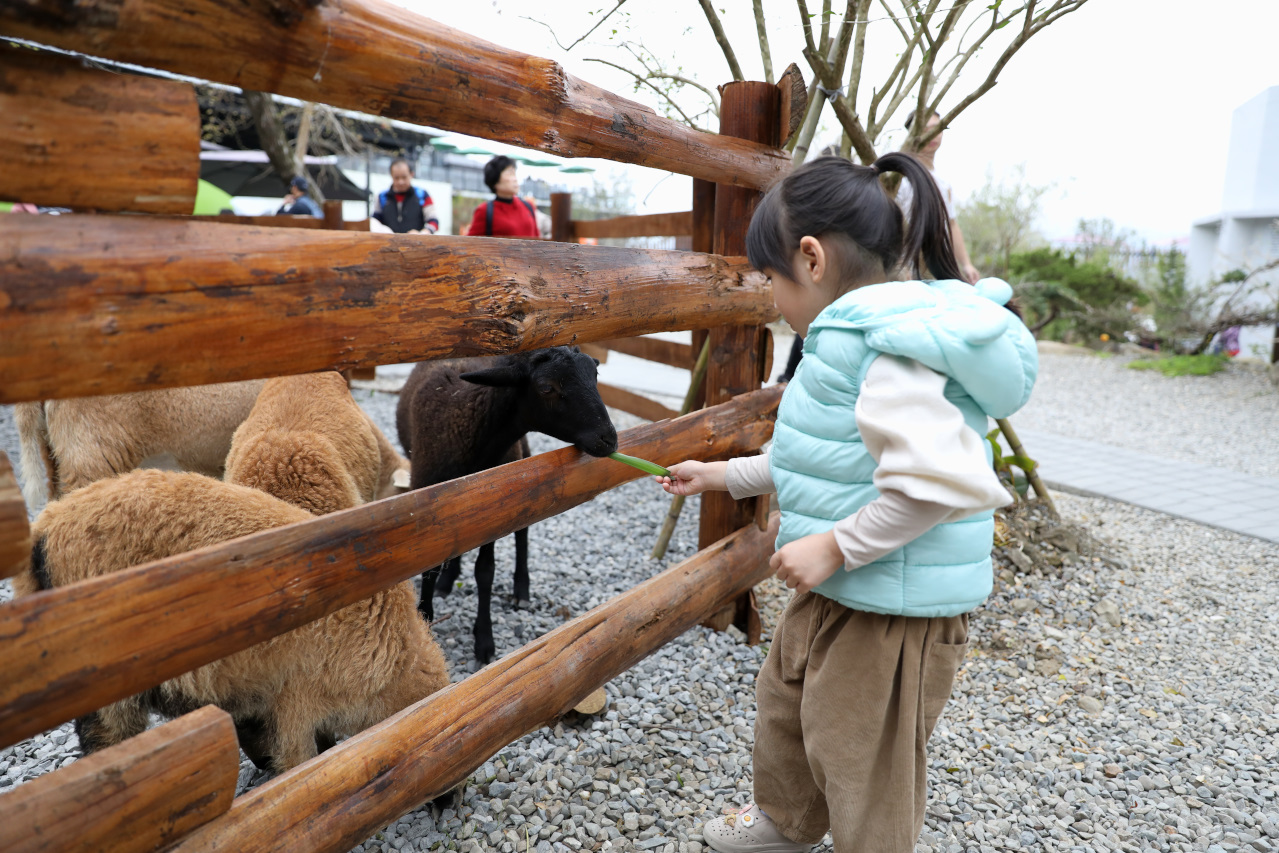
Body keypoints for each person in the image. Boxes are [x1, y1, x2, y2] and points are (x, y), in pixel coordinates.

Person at [654, 155, 1037, 853]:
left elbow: (934, 485)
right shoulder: (842, 342)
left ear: (810, 259)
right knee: (787, 703)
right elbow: (818, 454)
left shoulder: (886, 352)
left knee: (863, 752)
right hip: (844, 580)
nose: (772, 297)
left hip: (892, 603)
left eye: (770, 278)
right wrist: (720, 477)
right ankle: (785, 820)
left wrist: (832, 545)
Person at [898, 111, 980, 284]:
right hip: (902, 267)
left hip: (933, 268)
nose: (932, 134)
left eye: (937, 128)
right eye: (925, 129)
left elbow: (951, 223)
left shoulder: (943, 183)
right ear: (912, 134)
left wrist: (966, 264)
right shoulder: (900, 177)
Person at [468, 155, 540, 238]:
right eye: (510, 174)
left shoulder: (528, 206)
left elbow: (537, 238)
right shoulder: (484, 211)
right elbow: (470, 244)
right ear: (495, 181)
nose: (515, 179)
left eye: (514, 173)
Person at [373, 157, 439, 234]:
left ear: (411, 174)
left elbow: (433, 221)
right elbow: (375, 222)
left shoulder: (422, 195)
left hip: (416, 244)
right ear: (391, 176)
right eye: (396, 178)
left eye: (404, 177)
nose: (400, 182)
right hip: (388, 244)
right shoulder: (382, 197)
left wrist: (422, 233)